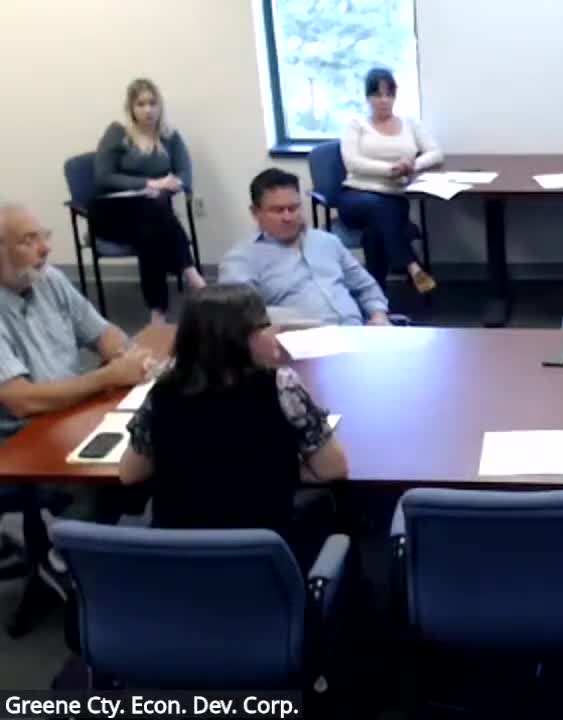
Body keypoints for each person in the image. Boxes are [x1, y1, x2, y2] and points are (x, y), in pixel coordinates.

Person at [120, 283, 348, 566]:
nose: (275, 332)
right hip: (262, 562)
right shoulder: (281, 387)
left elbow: (130, 473)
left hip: (180, 564)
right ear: (238, 340)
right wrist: (282, 465)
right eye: (265, 325)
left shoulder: (163, 392)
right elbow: (332, 468)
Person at [0, 203, 152, 517]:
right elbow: (22, 401)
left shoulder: (48, 279)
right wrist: (109, 376)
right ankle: (70, 544)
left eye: (43, 236)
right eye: (28, 240)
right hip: (19, 439)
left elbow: (102, 332)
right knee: (99, 482)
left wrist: (123, 356)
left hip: (68, 413)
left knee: (152, 442)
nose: (45, 248)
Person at [91, 78, 206, 324]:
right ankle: (190, 272)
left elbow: (185, 173)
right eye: (141, 104)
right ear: (131, 108)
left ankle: (158, 311)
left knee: (150, 234)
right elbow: (103, 177)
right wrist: (151, 184)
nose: (148, 110)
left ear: (160, 105)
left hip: (150, 215)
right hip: (113, 211)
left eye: (153, 103)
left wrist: (173, 184)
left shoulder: (169, 136)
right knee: (153, 212)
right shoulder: (118, 133)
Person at [220, 168, 391, 327]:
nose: (288, 217)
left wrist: (379, 315)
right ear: (255, 213)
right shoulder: (242, 259)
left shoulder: (327, 242)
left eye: (293, 208)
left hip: (357, 334)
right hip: (296, 340)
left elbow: (365, 286)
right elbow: (241, 315)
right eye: (278, 210)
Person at [338, 68, 443, 294]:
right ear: (368, 97)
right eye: (377, 94)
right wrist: (391, 170)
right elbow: (352, 163)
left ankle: (376, 296)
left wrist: (412, 165)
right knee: (379, 208)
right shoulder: (357, 124)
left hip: (393, 199)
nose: (384, 100)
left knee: (374, 232)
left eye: (389, 94)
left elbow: (436, 153)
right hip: (356, 197)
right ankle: (412, 266)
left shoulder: (410, 124)